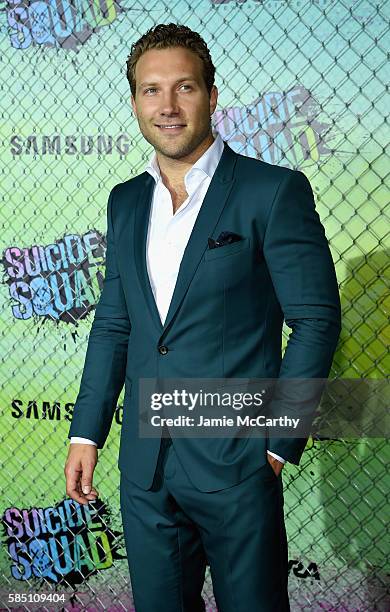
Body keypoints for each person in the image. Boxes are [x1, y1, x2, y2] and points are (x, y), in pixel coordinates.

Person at [65, 23, 341, 612]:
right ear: (135, 99)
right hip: (145, 470)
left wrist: (278, 443)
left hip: (238, 462)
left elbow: (315, 318)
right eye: (151, 90)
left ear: (212, 96)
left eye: (184, 87)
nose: (167, 106)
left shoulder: (271, 192)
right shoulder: (126, 200)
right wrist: (87, 431)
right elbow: (115, 323)